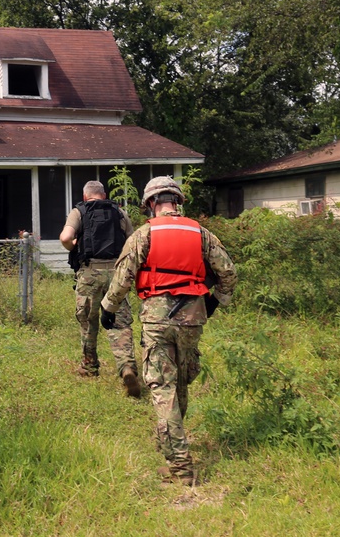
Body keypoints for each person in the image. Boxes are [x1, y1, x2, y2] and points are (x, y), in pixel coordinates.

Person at [99, 176, 237, 485]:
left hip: (157, 319)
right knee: (181, 382)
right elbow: (228, 272)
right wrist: (215, 302)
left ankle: (180, 467)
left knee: (162, 388)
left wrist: (107, 309)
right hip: (192, 319)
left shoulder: (143, 234)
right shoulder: (201, 234)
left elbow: (123, 278)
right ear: (178, 202)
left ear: (150, 203)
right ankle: (169, 441)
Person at [59, 180, 141, 398]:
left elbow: (65, 238)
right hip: (117, 274)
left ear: (86, 197)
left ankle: (89, 366)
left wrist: (74, 246)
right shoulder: (120, 213)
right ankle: (127, 367)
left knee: (88, 320)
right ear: (104, 196)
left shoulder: (79, 211)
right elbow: (133, 244)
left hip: (89, 273)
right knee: (120, 321)